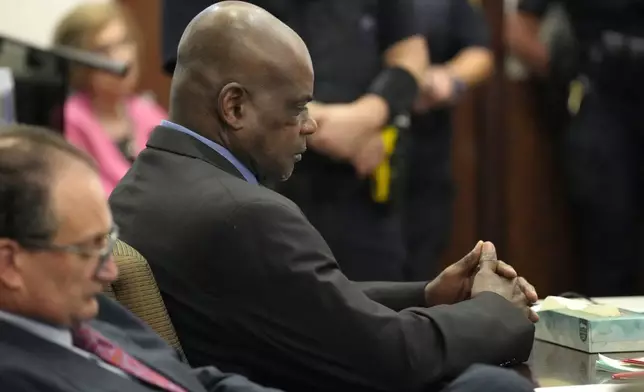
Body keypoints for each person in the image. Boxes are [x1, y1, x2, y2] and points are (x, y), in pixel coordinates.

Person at [110, 2, 538, 392]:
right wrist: (495, 309)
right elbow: (393, 358)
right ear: (235, 107)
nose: (310, 125)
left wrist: (425, 295)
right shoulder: (248, 214)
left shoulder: (139, 187)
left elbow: (305, 305)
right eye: (297, 108)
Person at [161, 0, 428, 281]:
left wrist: (369, 115)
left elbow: (411, 52)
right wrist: (313, 123)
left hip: (363, 188)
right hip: (248, 195)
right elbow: (193, 73)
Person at [0, 124, 280, 392]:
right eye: (90, 249)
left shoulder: (82, 307)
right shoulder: (16, 377)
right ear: (9, 264)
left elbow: (188, 380)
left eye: (107, 241)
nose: (110, 271)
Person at [506, 0, 644, 296]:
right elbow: (518, 29)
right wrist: (562, 75)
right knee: (609, 246)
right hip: (603, 105)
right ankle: (611, 337)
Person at [404, 0, 494, 280]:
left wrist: (448, 77)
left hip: (423, 151)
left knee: (419, 267)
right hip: (346, 152)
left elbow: (480, 51)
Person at [54, 2, 167, 196]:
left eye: (124, 42)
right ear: (79, 62)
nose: (122, 58)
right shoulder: (69, 120)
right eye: (103, 50)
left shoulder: (147, 111)